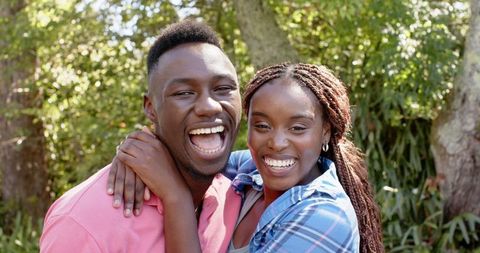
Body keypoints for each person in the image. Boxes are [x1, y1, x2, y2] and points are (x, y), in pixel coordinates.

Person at [114, 63, 384, 252]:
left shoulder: (324, 216)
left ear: (325, 132)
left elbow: (176, 179)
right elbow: (184, 161)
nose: (276, 143)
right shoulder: (249, 171)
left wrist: (177, 197)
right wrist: (134, 153)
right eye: (262, 126)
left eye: (298, 128)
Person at [40, 20, 252, 253]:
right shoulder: (83, 222)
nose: (209, 106)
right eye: (184, 93)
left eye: (223, 89)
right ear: (151, 108)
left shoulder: (236, 199)